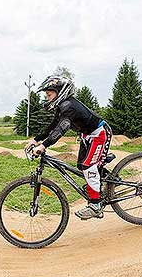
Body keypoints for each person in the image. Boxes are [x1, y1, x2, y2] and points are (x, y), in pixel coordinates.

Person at [24, 75, 112, 220]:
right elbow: (53, 126)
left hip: (99, 134)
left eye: (49, 94)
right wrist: (36, 139)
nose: (47, 98)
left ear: (60, 92)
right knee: (81, 166)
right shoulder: (62, 106)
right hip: (87, 135)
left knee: (89, 166)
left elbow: (61, 130)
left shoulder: (69, 106)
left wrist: (44, 146)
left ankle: (96, 205)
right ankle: (105, 183)